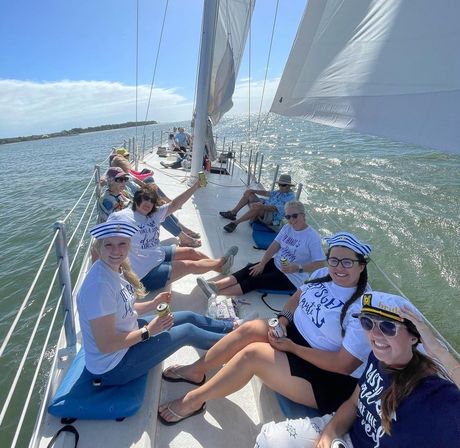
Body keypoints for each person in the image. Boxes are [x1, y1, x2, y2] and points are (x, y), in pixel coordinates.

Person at [157, 232, 372, 425]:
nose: (338, 267)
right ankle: (196, 371)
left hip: (325, 375)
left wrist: (292, 348)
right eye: (333, 260)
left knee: (253, 355)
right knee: (250, 329)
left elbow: (343, 365)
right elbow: (295, 300)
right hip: (296, 339)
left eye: (347, 262)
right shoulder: (322, 275)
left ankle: (194, 401)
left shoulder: (362, 308)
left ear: (361, 266)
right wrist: (283, 322)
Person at [255, 292, 460, 448]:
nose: (376, 335)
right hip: (345, 436)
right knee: (268, 438)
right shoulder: (378, 358)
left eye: (388, 327)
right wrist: (330, 433)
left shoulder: (435, 394)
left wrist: (440, 352)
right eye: (368, 323)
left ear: (415, 337)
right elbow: (354, 403)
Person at [77, 220, 236, 387]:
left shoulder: (114, 268)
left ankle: (231, 327)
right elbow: (106, 345)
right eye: (108, 245)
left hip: (128, 335)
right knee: (188, 331)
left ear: (129, 245)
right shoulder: (99, 287)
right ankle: (237, 342)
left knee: (188, 316)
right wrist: (148, 331)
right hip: (114, 366)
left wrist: (153, 303)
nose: (116, 250)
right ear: (98, 247)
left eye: (122, 243)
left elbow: (124, 309)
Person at [108, 183, 238, 292]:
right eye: (145, 198)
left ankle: (220, 268)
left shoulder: (154, 214)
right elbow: (101, 242)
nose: (148, 203)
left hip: (156, 253)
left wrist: (196, 185)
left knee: (191, 252)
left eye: (152, 200)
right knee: (189, 266)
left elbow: (175, 204)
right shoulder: (122, 217)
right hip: (145, 274)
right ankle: (222, 261)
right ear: (136, 199)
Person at [196, 201, 326, 299]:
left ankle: (216, 294)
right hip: (277, 263)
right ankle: (215, 285)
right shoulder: (287, 228)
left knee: (256, 280)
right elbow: (274, 246)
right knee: (250, 270)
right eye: (288, 217)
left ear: (303, 215)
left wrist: (297, 268)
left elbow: (320, 263)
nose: (291, 220)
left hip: (292, 276)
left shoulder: (312, 237)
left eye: (295, 216)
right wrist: (262, 264)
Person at [110, 155, 201, 247]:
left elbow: (138, 181)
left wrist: (151, 191)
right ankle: (182, 235)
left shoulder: (126, 176)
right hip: (138, 205)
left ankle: (181, 228)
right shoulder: (119, 183)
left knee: (151, 185)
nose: (125, 176)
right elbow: (119, 195)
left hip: (142, 197)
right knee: (158, 210)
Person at [219, 174, 296, 233]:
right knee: (249, 194)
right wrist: (253, 190)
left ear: (289, 186)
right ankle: (233, 213)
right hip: (264, 207)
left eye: (283, 185)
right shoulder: (279, 191)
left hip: (272, 217)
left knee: (257, 207)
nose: (281, 187)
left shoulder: (290, 198)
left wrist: (261, 206)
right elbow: (267, 193)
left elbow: (273, 208)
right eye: (280, 184)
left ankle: (235, 223)